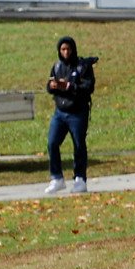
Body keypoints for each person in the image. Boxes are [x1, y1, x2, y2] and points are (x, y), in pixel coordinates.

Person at [44, 35, 95, 195]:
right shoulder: (57, 66)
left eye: (68, 49)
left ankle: (80, 179)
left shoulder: (83, 66)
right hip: (60, 112)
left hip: (78, 112)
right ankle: (57, 178)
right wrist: (52, 86)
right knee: (52, 142)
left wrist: (70, 86)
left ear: (73, 49)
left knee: (79, 144)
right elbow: (50, 85)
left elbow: (88, 86)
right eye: (63, 49)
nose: (66, 52)